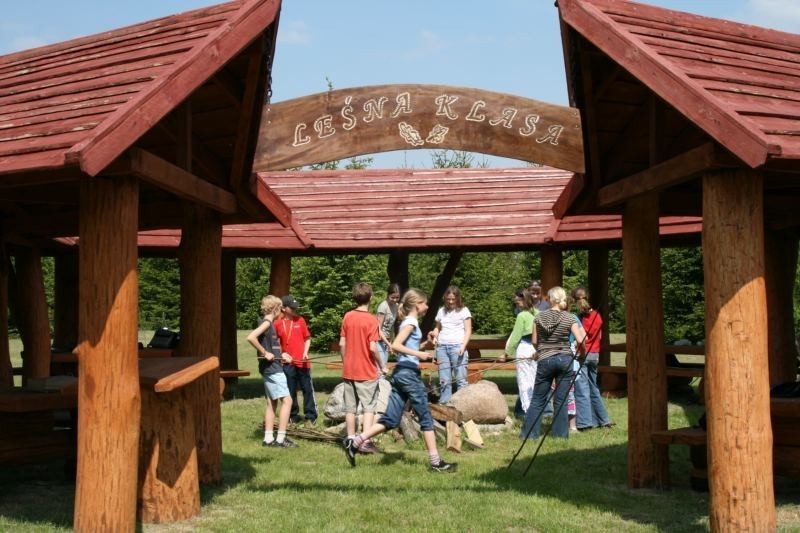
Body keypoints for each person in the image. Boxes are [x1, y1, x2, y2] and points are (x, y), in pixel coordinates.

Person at [341, 289, 457, 473]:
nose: (427, 306)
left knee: (390, 419)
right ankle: (436, 463)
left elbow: (405, 347)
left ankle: (354, 442)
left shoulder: (408, 323)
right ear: (417, 304)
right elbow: (395, 346)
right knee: (425, 416)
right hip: (408, 375)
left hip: (401, 374)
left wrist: (424, 345)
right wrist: (420, 354)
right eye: (425, 303)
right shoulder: (410, 322)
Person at [520, 286, 586, 440]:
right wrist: (581, 354)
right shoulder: (569, 317)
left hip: (545, 360)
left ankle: (529, 435)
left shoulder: (539, 317)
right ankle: (560, 436)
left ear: (549, 299)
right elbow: (581, 339)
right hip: (565, 360)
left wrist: (540, 351)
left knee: (538, 398)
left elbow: (535, 341)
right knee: (561, 400)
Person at [340, 282, 386, 455]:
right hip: (366, 372)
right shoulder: (371, 320)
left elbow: (342, 344)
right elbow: (373, 348)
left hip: (349, 370)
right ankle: (365, 442)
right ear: (371, 298)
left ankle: (351, 439)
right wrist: (382, 366)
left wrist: (346, 362)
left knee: (350, 408)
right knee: (369, 408)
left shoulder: (347, 316)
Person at [246, 295, 297, 448]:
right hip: (273, 370)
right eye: (279, 308)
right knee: (287, 401)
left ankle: (268, 439)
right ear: (275, 308)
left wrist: (282, 355)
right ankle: (281, 439)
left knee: (271, 403)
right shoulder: (268, 322)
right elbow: (251, 337)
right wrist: (264, 352)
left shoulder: (268, 323)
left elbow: (271, 347)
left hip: (271, 367)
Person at [571, 287, 613, 430]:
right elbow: (598, 336)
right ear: (587, 297)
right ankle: (603, 420)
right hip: (595, 355)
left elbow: (581, 338)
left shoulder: (579, 318)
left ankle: (585, 422)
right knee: (593, 387)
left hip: (582, 354)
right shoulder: (597, 316)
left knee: (582, 388)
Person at [275, 294, 317, 426]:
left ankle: (310, 416)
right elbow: (275, 344)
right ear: (283, 308)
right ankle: (293, 416)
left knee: (307, 389)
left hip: (303, 362)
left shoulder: (300, 320)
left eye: (295, 307)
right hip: (288, 363)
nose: (294, 310)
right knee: (290, 390)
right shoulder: (277, 324)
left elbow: (307, 339)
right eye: (291, 308)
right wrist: (282, 355)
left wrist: (305, 353)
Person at [428, 285, 472, 404]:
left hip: (457, 346)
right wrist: (434, 335)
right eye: (448, 299)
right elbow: (437, 328)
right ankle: (444, 403)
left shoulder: (464, 311)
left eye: (453, 299)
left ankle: (463, 404)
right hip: (442, 347)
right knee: (444, 379)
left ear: (458, 298)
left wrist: (463, 346)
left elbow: (468, 330)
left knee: (460, 379)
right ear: (445, 298)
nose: (451, 301)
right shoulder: (441, 311)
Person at [504, 289, 538, 414]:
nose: (517, 303)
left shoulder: (521, 315)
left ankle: (527, 411)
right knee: (534, 380)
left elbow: (516, 336)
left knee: (524, 381)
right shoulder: (538, 313)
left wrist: (506, 353)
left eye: (518, 301)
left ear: (524, 300)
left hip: (524, 348)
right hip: (536, 349)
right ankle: (535, 409)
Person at [375, 283, 401, 372]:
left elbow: (392, 325)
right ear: (388, 295)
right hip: (379, 341)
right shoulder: (383, 306)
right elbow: (378, 329)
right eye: (392, 297)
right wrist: (389, 344)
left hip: (387, 340)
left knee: (384, 366)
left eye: (397, 297)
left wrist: (391, 341)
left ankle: (381, 384)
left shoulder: (396, 306)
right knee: (380, 368)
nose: (394, 300)